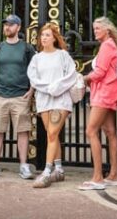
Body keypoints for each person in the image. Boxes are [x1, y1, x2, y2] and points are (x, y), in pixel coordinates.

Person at [0, 14, 36, 181]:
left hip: (21, 95)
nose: (7, 27)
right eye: (6, 24)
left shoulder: (27, 48)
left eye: (11, 25)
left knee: (22, 131)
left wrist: (32, 89)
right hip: (0, 95)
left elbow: (35, 70)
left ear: (18, 27)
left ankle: (23, 165)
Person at [26, 21, 77, 188]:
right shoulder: (36, 58)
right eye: (42, 35)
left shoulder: (63, 55)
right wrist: (48, 88)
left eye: (47, 35)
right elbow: (33, 78)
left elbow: (71, 75)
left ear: (55, 38)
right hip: (44, 99)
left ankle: (47, 172)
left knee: (52, 134)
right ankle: (59, 170)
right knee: (51, 134)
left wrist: (56, 88)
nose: (44, 37)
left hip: (61, 99)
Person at [79, 16, 117, 191]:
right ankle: (113, 175)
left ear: (107, 30)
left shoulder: (107, 46)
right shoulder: (110, 45)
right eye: (94, 28)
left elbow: (99, 72)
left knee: (91, 130)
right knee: (110, 132)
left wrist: (83, 78)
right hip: (109, 91)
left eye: (98, 28)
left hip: (104, 93)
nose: (95, 31)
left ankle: (98, 177)